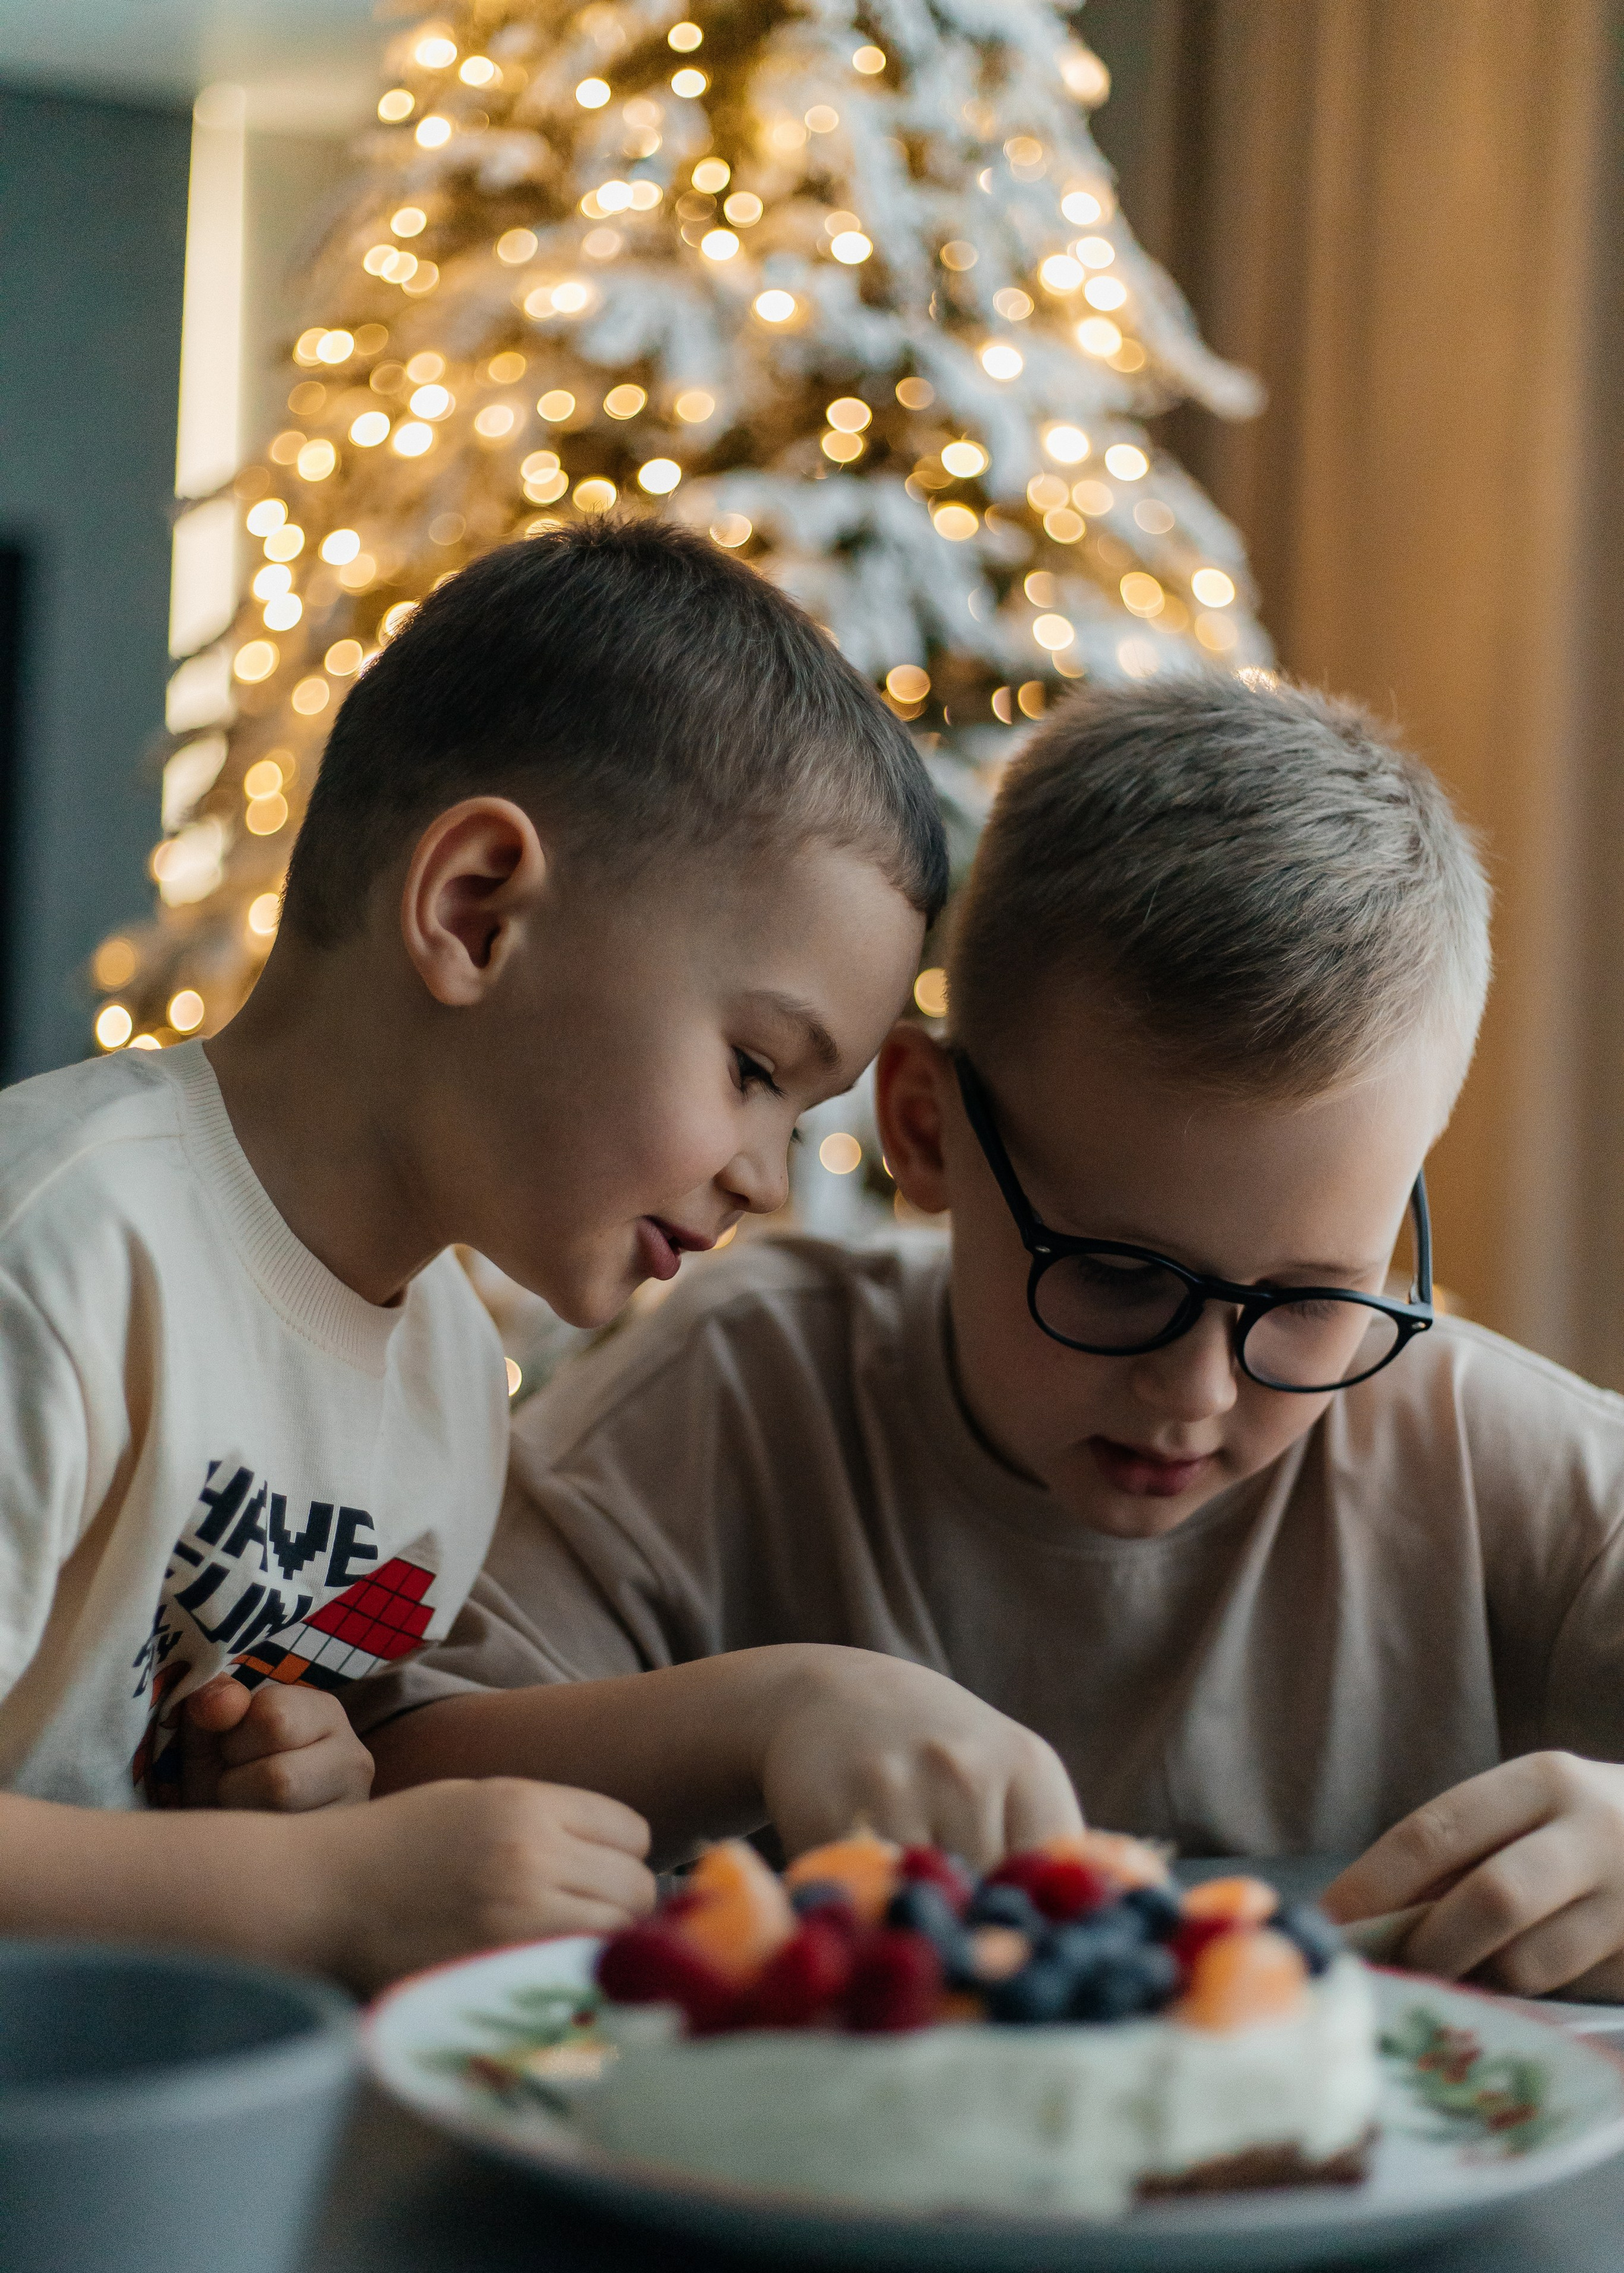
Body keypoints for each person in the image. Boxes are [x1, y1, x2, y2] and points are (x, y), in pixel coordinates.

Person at [362, 673, 1624, 2003]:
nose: (1193, 1393)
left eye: (1311, 1299)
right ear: (924, 1129)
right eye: (1115, 1275)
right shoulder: (735, 1393)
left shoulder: (1505, 1471)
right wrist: (766, 1713)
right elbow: (388, 1763)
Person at [0, 520, 1077, 1994]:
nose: (765, 1180)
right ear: (475, 913)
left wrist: (796, 1702)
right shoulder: (56, 1249)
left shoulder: (444, 1367)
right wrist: (304, 1890)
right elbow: (313, 1879)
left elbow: (382, 1748)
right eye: (757, 1067)